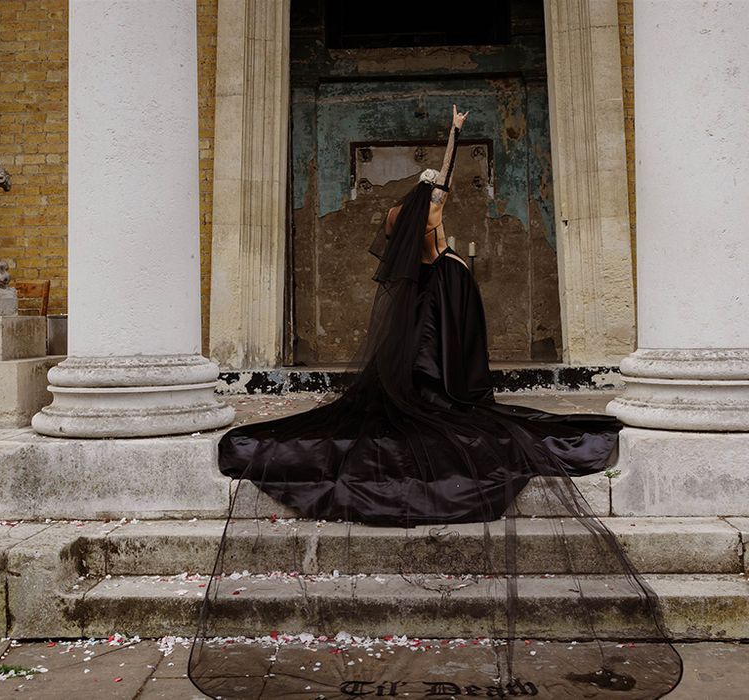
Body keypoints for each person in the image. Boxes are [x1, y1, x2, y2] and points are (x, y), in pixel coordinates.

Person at [189, 105, 683, 699]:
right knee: (456, 409)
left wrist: (451, 135)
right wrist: (454, 365)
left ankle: (447, 400)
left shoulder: (424, 230)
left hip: (445, 324)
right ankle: (445, 405)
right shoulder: (435, 246)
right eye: (439, 200)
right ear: (429, 213)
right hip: (440, 336)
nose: (443, 198)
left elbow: (440, 188)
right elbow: (439, 294)